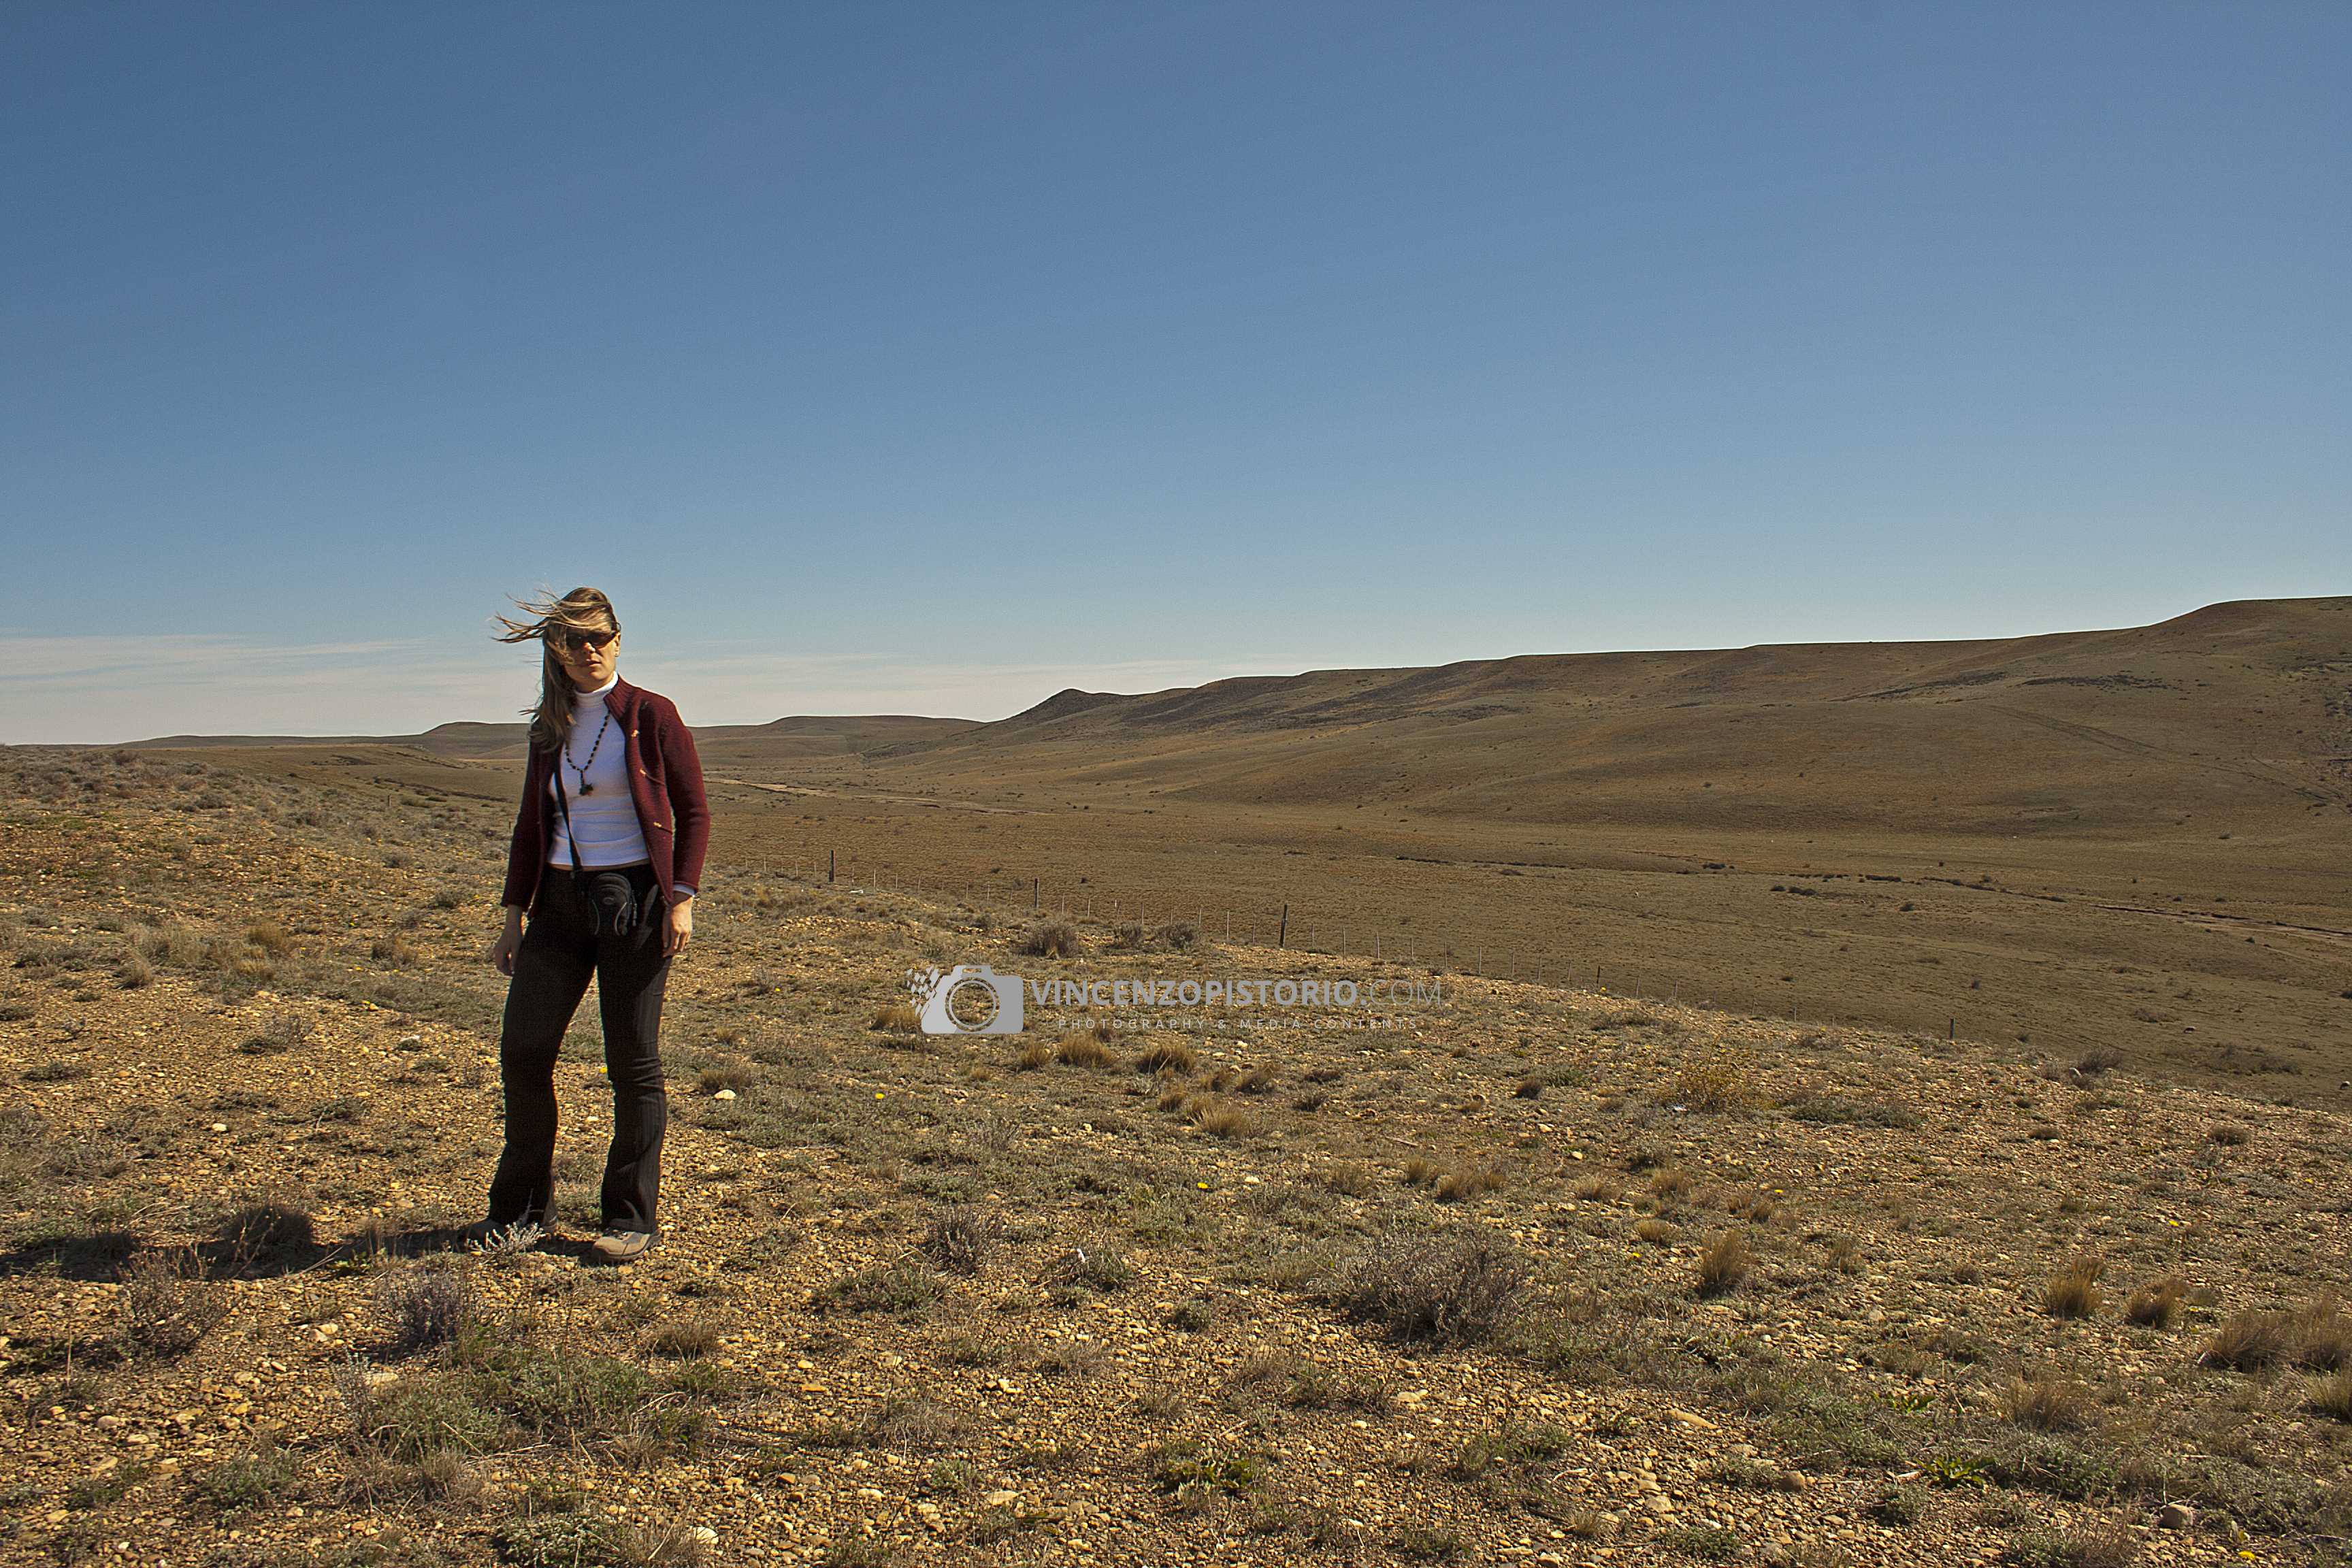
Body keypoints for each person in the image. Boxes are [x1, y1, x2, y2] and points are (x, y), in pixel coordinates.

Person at [471, 586, 710, 1262]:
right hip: (558, 902)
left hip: (634, 900)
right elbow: (529, 826)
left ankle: (631, 1217)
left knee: (632, 1064)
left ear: (619, 640)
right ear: (557, 650)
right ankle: (522, 1210)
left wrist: (683, 897)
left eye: (600, 637)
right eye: (575, 641)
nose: (590, 651)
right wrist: (514, 917)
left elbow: (694, 812)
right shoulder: (548, 728)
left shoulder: (650, 715)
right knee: (523, 1051)